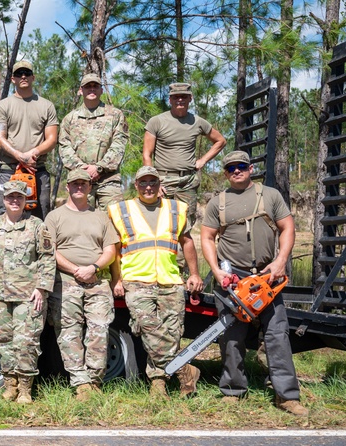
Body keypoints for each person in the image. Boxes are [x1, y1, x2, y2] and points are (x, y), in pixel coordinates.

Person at [200, 151, 308, 416]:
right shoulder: (218, 202)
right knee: (231, 337)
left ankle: (287, 396)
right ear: (225, 173)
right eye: (230, 168)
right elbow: (206, 237)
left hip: (266, 276)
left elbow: (287, 228)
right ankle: (233, 390)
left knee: (277, 335)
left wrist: (281, 261)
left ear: (250, 168)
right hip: (232, 279)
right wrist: (216, 271)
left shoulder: (270, 195)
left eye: (240, 166)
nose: (236, 171)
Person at [107, 166, 203, 399]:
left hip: (170, 280)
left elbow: (187, 241)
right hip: (136, 281)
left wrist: (194, 274)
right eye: (143, 182)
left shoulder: (176, 209)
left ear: (160, 185)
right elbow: (115, 249)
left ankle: (158, 384)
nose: (148, 186)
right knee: (148, 328)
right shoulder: (120, 210)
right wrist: (116, 279)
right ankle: (185, 370)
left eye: (152, 182)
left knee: (171, 333)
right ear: (136, 186)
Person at [44, 169, 119, 401]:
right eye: (74, 183)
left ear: (89, 187)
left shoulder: (101, 216)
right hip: (65, 281)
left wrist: (94, 268)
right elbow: (50, 251)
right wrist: (75, 269)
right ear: (67, 187)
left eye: (83, 184)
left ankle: (95, 380)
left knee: (99, 329)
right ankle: (81, 383)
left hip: (97, 281)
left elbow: (111, 250)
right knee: (69, 332)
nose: (79, 187)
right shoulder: (54, 217)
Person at [0, 180, 54, 404]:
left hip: (28, 295)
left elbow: (47, 258)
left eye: (19, 197)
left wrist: (42, 288)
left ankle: (25, 388)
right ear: (3, 200)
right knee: (3, 341)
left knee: (26, 342)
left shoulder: (36, 226)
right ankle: (10, 384)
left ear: (26, 201)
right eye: (10, 197)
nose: (14, 201)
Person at [142, 82, 227, 229]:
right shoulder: (156, 121)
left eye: (183, 96)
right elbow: (147, 155)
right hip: (163, 181)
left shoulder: (198, 122)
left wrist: (203, 160)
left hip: (188, 182)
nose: (179, 100)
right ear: (170, 100)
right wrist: (154, 182)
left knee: (186, 227)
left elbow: (220, 141)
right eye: (176, 97)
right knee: (159, 223)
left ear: (190, 98)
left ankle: (181, 252)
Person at [0, 60, 59, 218]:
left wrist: (33, 153)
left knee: (40, 219)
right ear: (13, 79)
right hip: (8, 171)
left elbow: (52, 139)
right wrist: (20, 156)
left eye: (27, 73)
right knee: (3, 217)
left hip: (37, 171)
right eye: (18, 74)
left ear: (33, 77)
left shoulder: (46, 106)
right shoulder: (2, 106)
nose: (23, 76)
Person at [58, 73, 128, 210]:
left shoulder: (115, 115)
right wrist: (83, 169)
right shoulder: (69, 119)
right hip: (79, 181)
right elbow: (64, 147)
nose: (91, 89)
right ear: (80, 90)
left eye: (95, 86)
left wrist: (99, 168)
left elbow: (119, 144)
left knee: (116, 221)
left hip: (108, 180)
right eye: (87, 86)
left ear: (101, 90)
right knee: (80, 224)